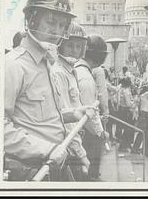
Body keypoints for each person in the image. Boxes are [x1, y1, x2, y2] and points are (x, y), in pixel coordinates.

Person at [4, 0, 95, 181]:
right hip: (31, 171)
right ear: (32, 21)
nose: (57, 31)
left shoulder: (48, 64)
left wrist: (71, 113)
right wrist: (47, 149)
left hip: (55, 164)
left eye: (62, 25)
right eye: (52, 23)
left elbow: (36, 116)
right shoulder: (13, 65)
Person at [50, 22, 93, 180]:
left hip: (73, 145)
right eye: (70, 46)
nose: (75, 51)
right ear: (60, 46)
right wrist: (82, 155)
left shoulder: (71, 71)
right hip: (66, 147)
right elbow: (67, 120)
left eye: (78, 46)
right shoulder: (59, 73)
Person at [75, 34, 109, 181]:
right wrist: (100, 133)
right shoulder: (87, 78)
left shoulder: (78, 69)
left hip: (79, 130)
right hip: (87, 133)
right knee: (90, 174)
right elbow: (89, 113)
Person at [132, 83, 148, 155]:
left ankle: (144, 150)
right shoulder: (144, 95)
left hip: (147, 115)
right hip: (144, 115)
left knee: (146, 134)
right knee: (142, 133)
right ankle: (135, 148)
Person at [115, 77, 136, 152]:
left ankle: (125, 144)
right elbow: (128, 104)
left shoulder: (121, 90)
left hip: (122, 109)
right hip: (127, 111)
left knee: (127, 128)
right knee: (129, 128)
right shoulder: (126, 91)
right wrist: (135, 102)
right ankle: (124, 145)